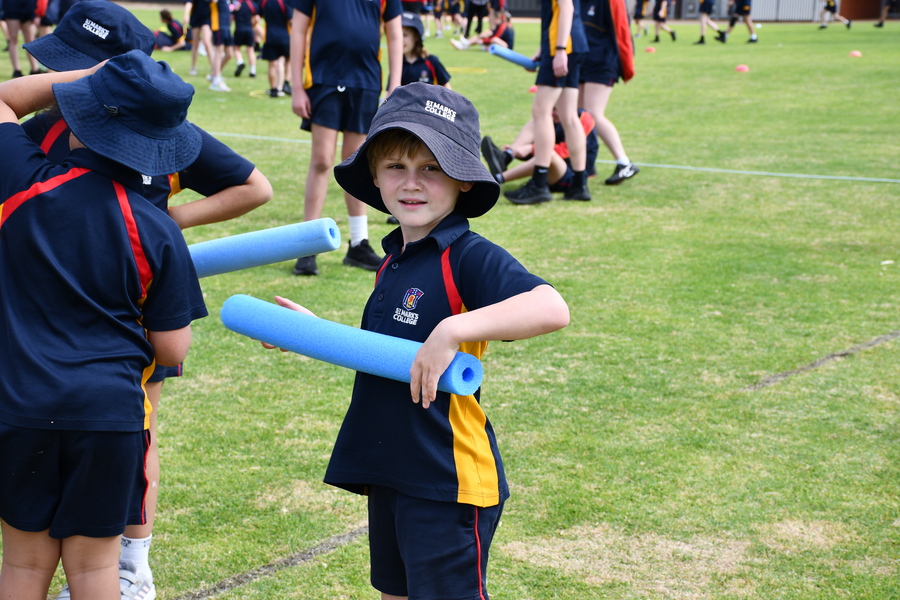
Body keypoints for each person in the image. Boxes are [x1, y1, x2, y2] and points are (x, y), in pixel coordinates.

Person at [263, 82, 570, 600]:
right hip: (391, 468)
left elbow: (551, 308)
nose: (412, 183)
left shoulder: (467, 255)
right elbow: (389, 351)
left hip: (446, 478)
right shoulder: (394, 259)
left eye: (431, 168)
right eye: (396, 167)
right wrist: (313, 334)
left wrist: (453, 328)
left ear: (463, 182)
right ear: (376, 179)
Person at [22, 5, 273, 598]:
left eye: (81, 72)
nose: (69, 83)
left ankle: (132, 564)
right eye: (61, 72)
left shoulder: (163, 134)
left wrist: (165, 221)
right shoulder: (40, 132)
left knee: (139, 434)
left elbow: (254, 187)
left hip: (131, 313)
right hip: (49, 315)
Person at [0, 48, 208, 600]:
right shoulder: (158, 229)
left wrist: (91, 78)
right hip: (109, 418)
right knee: (95, 572)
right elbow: (172, 347)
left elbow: (1, 97)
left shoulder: (23, 183)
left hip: (20, 408)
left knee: (21, 567)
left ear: (79, 118)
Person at [287, 0, 403, 276]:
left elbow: (395, 33)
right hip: (323, 80)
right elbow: (298, 30)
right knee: (322, 160)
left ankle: (358, 243)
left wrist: (394, 84)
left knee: (356, 162)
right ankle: (307, 246)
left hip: (365, 81)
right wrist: (296, 87)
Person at [504, 0, 591, 205]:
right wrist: (544, 49)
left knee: (541, 112)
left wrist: (559, 49)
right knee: (568, 115)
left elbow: (566, 8)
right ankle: (580, 184)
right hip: (573, 44)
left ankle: (539, 183)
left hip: (564, 46)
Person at [580, 0, 640, 185]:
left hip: (603, 61)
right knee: (578, 114)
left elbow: (622, 32)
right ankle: (586, 164)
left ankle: (624, 163)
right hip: (583, 61)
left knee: (593, 114)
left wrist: (626, 66)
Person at [482, 108, 599, 202]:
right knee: (539, 120)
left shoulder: (581, 119)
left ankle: (494, 180)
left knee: (547, 154)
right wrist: (523, 149)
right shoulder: (557, 119)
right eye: (552, 109)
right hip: (553, 168)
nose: (553, 113)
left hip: (569, 175)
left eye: (556, 109)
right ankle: (507, 156)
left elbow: (567, 151)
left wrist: (531, 148)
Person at [400, 12, 451, 87]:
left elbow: (446, 87)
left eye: (405, 35)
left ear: (416, 37)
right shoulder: (398, 64)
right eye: (398, 35)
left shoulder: (431, 61)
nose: (400, 39)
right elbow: (390, 92)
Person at [260, 0, 292, 97]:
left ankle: (273, 89)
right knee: (286, 61)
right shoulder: (284, 2)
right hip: (284, 36)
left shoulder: (264, 2)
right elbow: (291, 19)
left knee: (272, 64)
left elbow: (258, 15)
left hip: (270, 37)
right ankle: (284, 84)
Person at [3, 0, 40, 77]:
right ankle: (16, 70)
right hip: (12, 6)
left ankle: (35, 69)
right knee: (13, 38)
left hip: (29, 7)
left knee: (30, 40)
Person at [232, 0, 259, 77]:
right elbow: (256, 18)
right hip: (249, 29)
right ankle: (252, 71)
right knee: (250, 50)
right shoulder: (253, 4)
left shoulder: (237, 4)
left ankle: (240, 62)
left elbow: (232, 17)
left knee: (236, 48)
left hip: (239, 29)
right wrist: (253, 25)